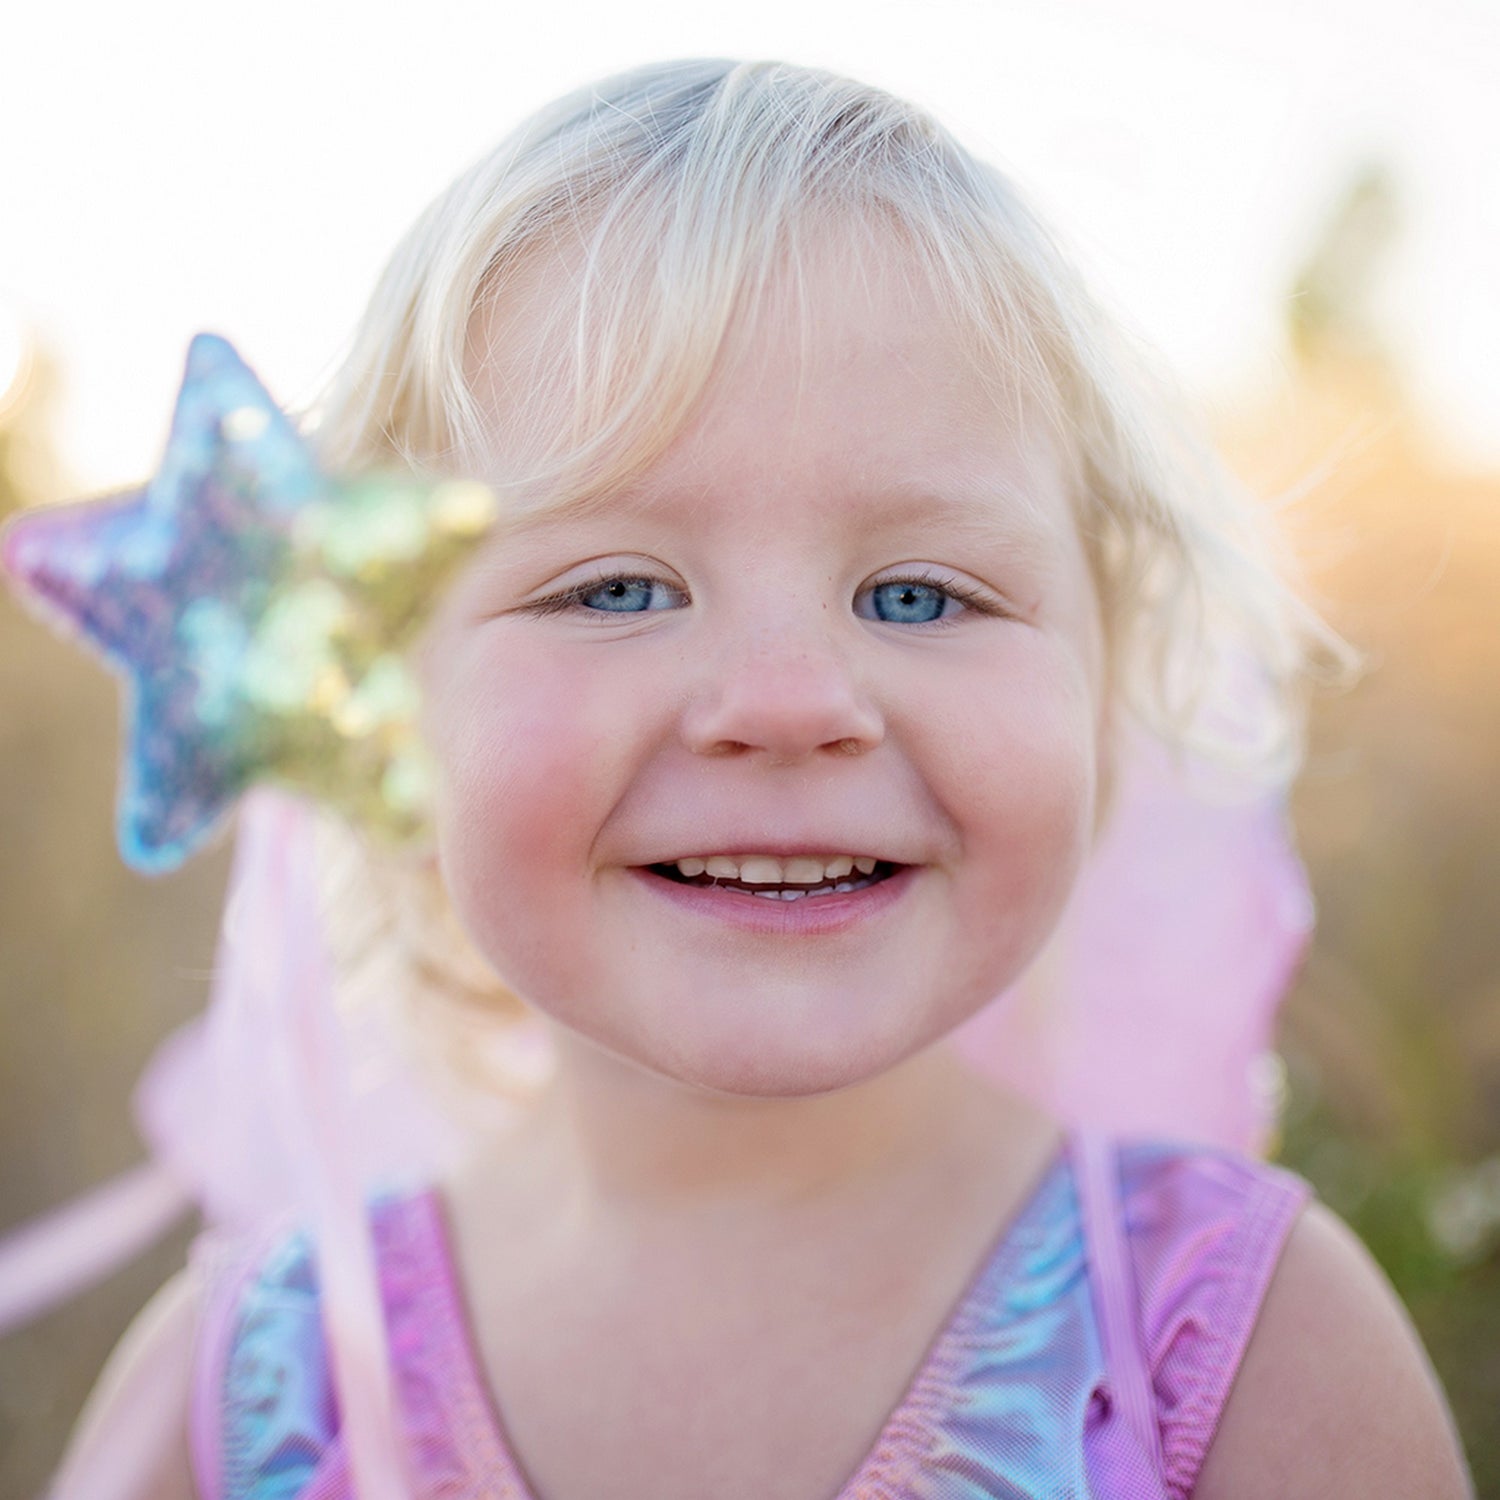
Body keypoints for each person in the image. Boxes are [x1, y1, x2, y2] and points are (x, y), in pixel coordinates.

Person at [43, 58, 1471, 1498]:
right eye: (616, 589)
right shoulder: (245, 1400)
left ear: (1102, 697)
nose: (789, 705)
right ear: (387, 697)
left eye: (918, 595)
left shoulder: (1240, 1361)